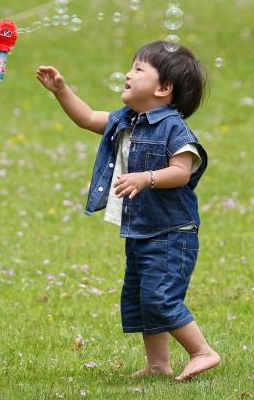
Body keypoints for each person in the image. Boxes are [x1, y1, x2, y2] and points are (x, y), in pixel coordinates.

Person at [36, 42, 219, 381]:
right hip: (142, 229)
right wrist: (61, 91)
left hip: (171, 233)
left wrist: (147, 178)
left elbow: (181, 172)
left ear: (164, 88)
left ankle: (202, 351)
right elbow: (88, 118)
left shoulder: (173, 128)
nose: (127, 74)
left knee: (160, 297)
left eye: (138, 69)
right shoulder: (128, 121)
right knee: (143, 297)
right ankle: (158, 364)